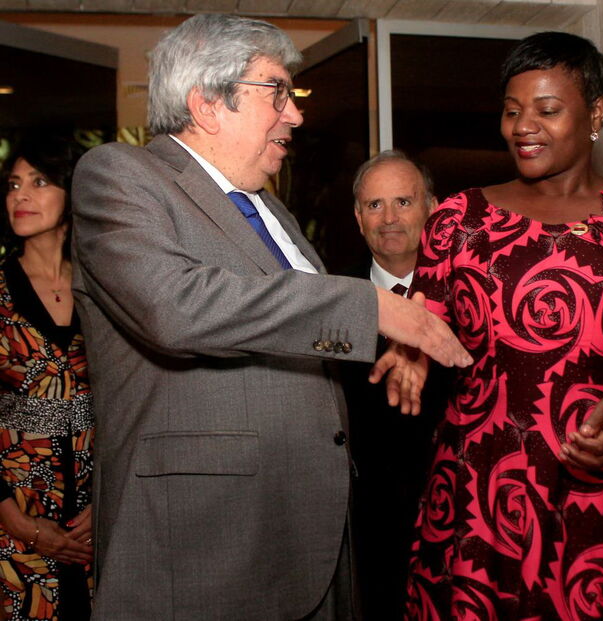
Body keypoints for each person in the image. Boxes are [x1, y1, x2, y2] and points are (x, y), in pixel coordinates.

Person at [69, 14, 470, 620]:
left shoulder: (267, 206)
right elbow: (175, 306)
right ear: (208, 104)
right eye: (276, 92)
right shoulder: (121, 176)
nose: (296, 115)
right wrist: (371, 308)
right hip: (204, 545)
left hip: (309, 537)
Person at [373, 32, 603, 619]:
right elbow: (427, 323)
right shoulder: (460, 221)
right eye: (512, 112)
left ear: (597, 112)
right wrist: (413, 353)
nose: (522, 126)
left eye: (546, 109)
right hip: (482, 496)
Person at [340, 151, 446, 620]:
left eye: (403, 202)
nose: (389, 218)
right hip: (365, 532)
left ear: (432, 209)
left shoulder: (472, 299)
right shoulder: (329, 301)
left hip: (461, 517)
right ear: (358, 217)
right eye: (375, 205)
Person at [0, 137, 93, 620]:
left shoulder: (101, 287)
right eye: (14, 184)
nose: (21, 195)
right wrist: (17, 520)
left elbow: (133, 397)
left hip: (98, 515)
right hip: (15, 511)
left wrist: (109, 500)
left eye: (39, 182)